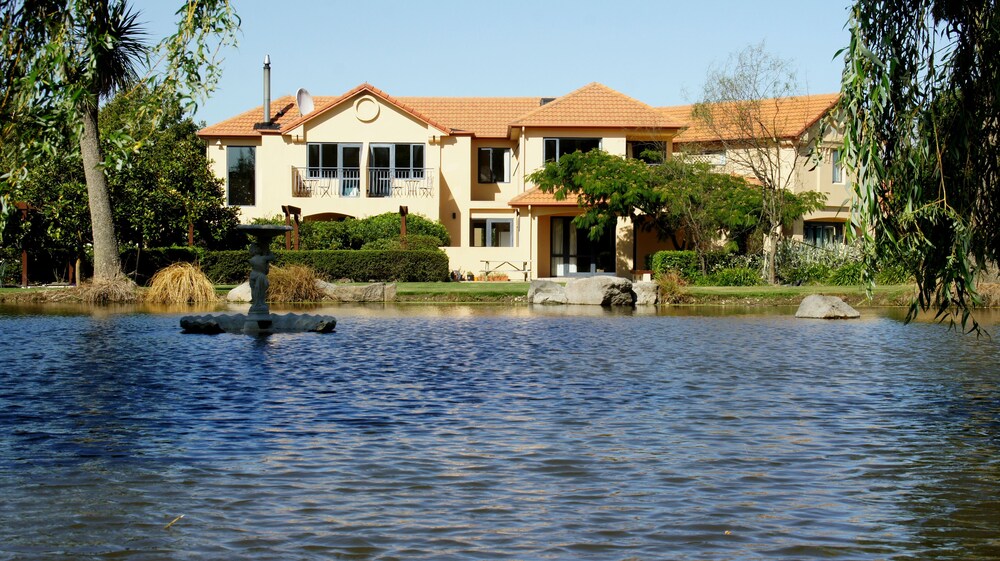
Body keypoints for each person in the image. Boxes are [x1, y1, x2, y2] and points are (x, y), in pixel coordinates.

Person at [248, 242, 274, 312]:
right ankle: (260, 303)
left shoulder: (251, 260)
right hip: (261, 276)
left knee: (254, 290)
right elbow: (273, 257)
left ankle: (255, 304)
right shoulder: (263, 258)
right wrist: (268, 251)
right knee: (261, 291)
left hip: (253, 275)